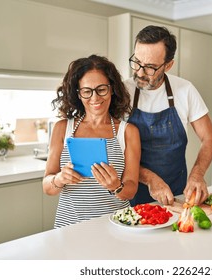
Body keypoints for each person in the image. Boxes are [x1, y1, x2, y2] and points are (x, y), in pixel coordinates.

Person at [43, 55, 140, 228]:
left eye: (101, 89)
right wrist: (59, 179)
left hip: (115, 226)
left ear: (112, 89)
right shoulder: (62, 128)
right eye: (87, 91)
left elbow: (131, 190)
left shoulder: (128, 132)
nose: (94, 98)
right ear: (78, 94)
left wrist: (116, 186)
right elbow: (47, 187)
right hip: (70, 227)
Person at [125, 25, 212, 206]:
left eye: (150, 67)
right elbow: (116, 152)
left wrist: (197, 174)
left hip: (175, 194)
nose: (140, 72)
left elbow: (209, 138)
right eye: (137, 62)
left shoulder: (185, 90)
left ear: (168, 65)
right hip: (131, 194)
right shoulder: (122, 92)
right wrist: (151, 179)